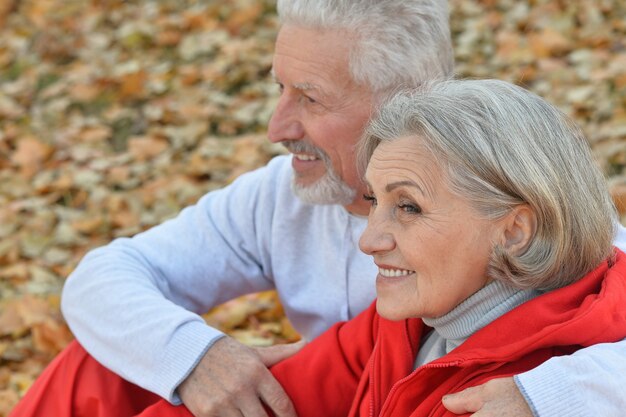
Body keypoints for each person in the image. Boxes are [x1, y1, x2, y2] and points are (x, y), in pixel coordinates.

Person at [12, 1, 626, 417]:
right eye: (279, 88)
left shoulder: (540, 219)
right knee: (103, 361)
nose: (278, 126)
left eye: (309, 97)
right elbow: (104, 277)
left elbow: (602, 306)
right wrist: (196, 358)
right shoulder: (285, 199)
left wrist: (550, 396)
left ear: (407, 100)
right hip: (345, 391)